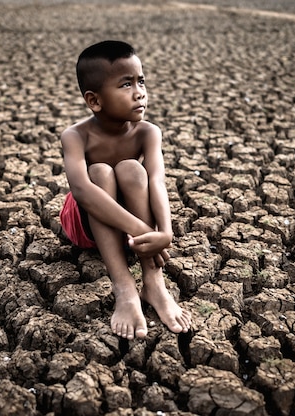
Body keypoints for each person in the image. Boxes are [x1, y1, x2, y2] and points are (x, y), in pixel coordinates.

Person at [59, 40, 192, 340]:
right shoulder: (76, 136)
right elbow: (82, 191)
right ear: (94, 101)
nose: (139, 92)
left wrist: (166, 233)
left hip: (131, 234)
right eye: (125, 84)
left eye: (141, 81)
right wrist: (145, 229)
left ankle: (154, 283)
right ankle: (124, 288)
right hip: (86, 225)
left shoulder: (148, 132)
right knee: (100, 173)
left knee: (132, 170)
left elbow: (157, 179)